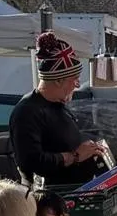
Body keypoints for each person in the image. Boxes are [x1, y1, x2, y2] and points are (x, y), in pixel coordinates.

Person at [10, 31, 106, 187]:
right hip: (49, 197)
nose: (76, 85)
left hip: (76, 191)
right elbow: (31, 161)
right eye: (74, 79)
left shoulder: (58, 105)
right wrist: (75, 156)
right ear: (58, 81)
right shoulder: (27, 111)